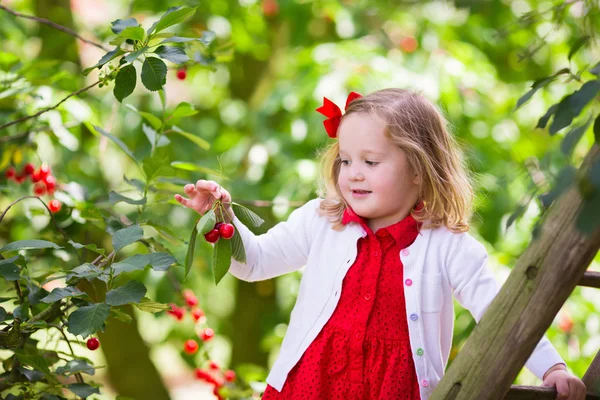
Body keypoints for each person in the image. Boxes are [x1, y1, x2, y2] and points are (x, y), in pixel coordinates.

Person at [174, 89, 587, 400]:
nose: (353, 174)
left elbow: (503, 311)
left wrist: (551, 367)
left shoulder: (448, 246)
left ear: (419, 170)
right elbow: (256, 262)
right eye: (346, 161)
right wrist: (221, 217)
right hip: (311, 386)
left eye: (371, 162)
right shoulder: (322, 220)